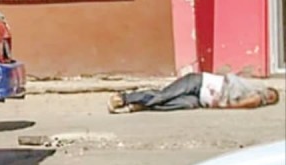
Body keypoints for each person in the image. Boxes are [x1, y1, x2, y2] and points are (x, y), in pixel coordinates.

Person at [108, 71, 280, 113]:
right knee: (164, 95)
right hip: (199, 82)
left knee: (172, 105)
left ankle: (139, 106)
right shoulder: (251, 89)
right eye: (269, 95)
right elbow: (246, 102)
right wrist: (228, 106)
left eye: (270, 100)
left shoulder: (250, 96)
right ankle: (123, 98)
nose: (267, 99)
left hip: (200, 101)